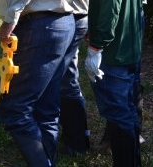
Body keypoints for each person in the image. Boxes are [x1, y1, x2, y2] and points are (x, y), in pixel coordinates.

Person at [0, 1, 75, 166]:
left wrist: (10, 18)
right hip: (61, 23)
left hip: (40, 25)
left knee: (14, 108)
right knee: (46, 106)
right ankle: (48, 161)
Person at [86, 0, 144, 166]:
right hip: (128, 48)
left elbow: (110, 8)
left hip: (114, 53)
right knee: (127, 111)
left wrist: (96, 47)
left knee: (120, 115)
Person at [59, 0, 90, 156]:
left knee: (64, 82)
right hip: (75, 15)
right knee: (66, 80)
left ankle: (77, 141)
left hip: (70, 16)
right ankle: (77, 137)